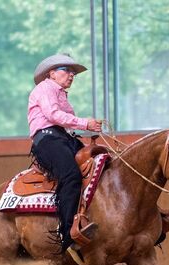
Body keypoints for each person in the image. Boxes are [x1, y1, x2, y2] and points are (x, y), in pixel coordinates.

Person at [28, 54, 102, 253]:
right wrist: (86, 123)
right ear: (52, 73)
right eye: (67, 70)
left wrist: (86, 132)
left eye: (73, 73)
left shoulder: (61, 95)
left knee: (101, 162)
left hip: (62, 138)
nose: (71, 75)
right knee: (71, 176)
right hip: (47, 140)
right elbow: (53, 115)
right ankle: (69, 233)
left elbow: (67, 124)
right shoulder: (45, 88)